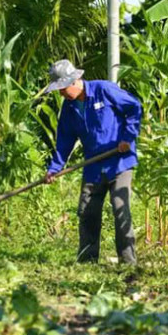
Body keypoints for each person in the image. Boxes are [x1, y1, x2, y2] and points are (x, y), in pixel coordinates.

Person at [43, 59, 142, 265]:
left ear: (75, 80)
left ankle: (128, 262)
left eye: (62, 88)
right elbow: (64, 141)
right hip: (94, 166)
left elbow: (134, 107)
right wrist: (54, 168)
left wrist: (127, 137)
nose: (61, 93)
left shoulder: (103, 90)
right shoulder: (69, 108)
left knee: (120, 208)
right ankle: (87, 260)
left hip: (119, 161)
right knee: (87, 211)